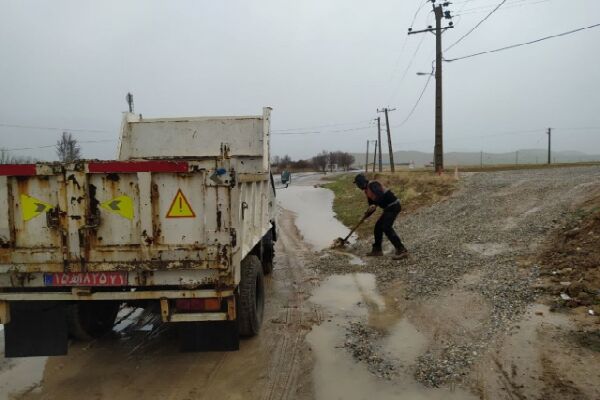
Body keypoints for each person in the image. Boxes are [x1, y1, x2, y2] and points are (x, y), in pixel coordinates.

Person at [353, 173, 408, 259]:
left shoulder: (373, 184)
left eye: (357, 184)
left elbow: (380, 195)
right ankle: (377, 250)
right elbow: (372, 207)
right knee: (378, 227)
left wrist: (375, 203)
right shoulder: (367, 191)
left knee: (386, 227)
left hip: (393, 205)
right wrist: (365, 216)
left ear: (361, 182)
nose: (358, 186)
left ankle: (401, 250)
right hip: (388, 208)